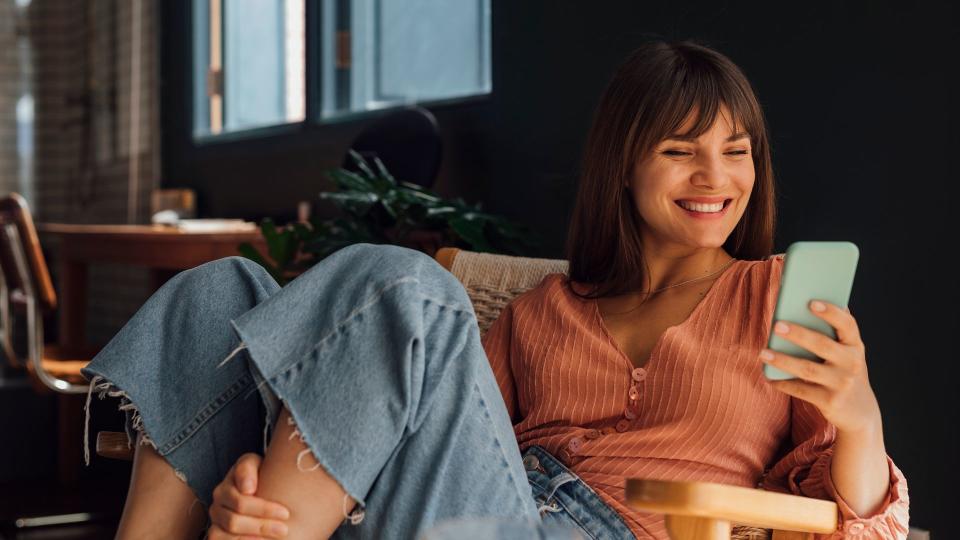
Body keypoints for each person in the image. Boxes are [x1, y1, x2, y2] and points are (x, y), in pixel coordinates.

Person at [81, 40, 910, 539]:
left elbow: (869, 527)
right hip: (475, 511)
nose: (715, 177)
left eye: (737, 150)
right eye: (680, 150)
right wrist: (261, 481)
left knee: (406, 285)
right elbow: (404, 424)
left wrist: (858, 417)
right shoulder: (543, 313)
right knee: (217, 287)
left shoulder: (778, 300)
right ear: (623, 164)